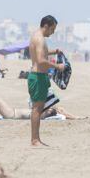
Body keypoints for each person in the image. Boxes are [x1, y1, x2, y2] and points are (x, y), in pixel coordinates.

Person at [28, 14, 62, 147]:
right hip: (38, 77)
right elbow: (41, 61)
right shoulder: (40, 39)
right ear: (46, 26)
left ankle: (36, 139)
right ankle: (34, 140)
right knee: (37, 109)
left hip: (37, 76)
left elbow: (39, 54)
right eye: (52, 29)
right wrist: (57, 66)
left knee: (38, 108)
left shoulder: (35, 36)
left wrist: (53, 52)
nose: (52, 32)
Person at [0, 93, 78, 120]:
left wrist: (71, 117)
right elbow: (61, 111)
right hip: (12, 112)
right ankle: (76, 117)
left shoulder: (40, 114)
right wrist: (74, 117)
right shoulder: (41, 112)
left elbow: (61, 111)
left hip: (11, 114)